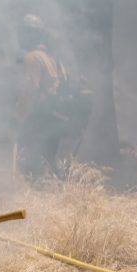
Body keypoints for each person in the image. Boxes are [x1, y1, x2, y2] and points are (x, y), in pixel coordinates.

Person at [13, 14, 89, 178]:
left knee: (30, 164)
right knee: (49, 164)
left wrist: (19, 118)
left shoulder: (32, 58)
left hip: (38, 119)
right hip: (53, 119)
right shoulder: (51, 58)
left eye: (22, 32)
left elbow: (30, 90)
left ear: (30, 34)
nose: (19, 37)